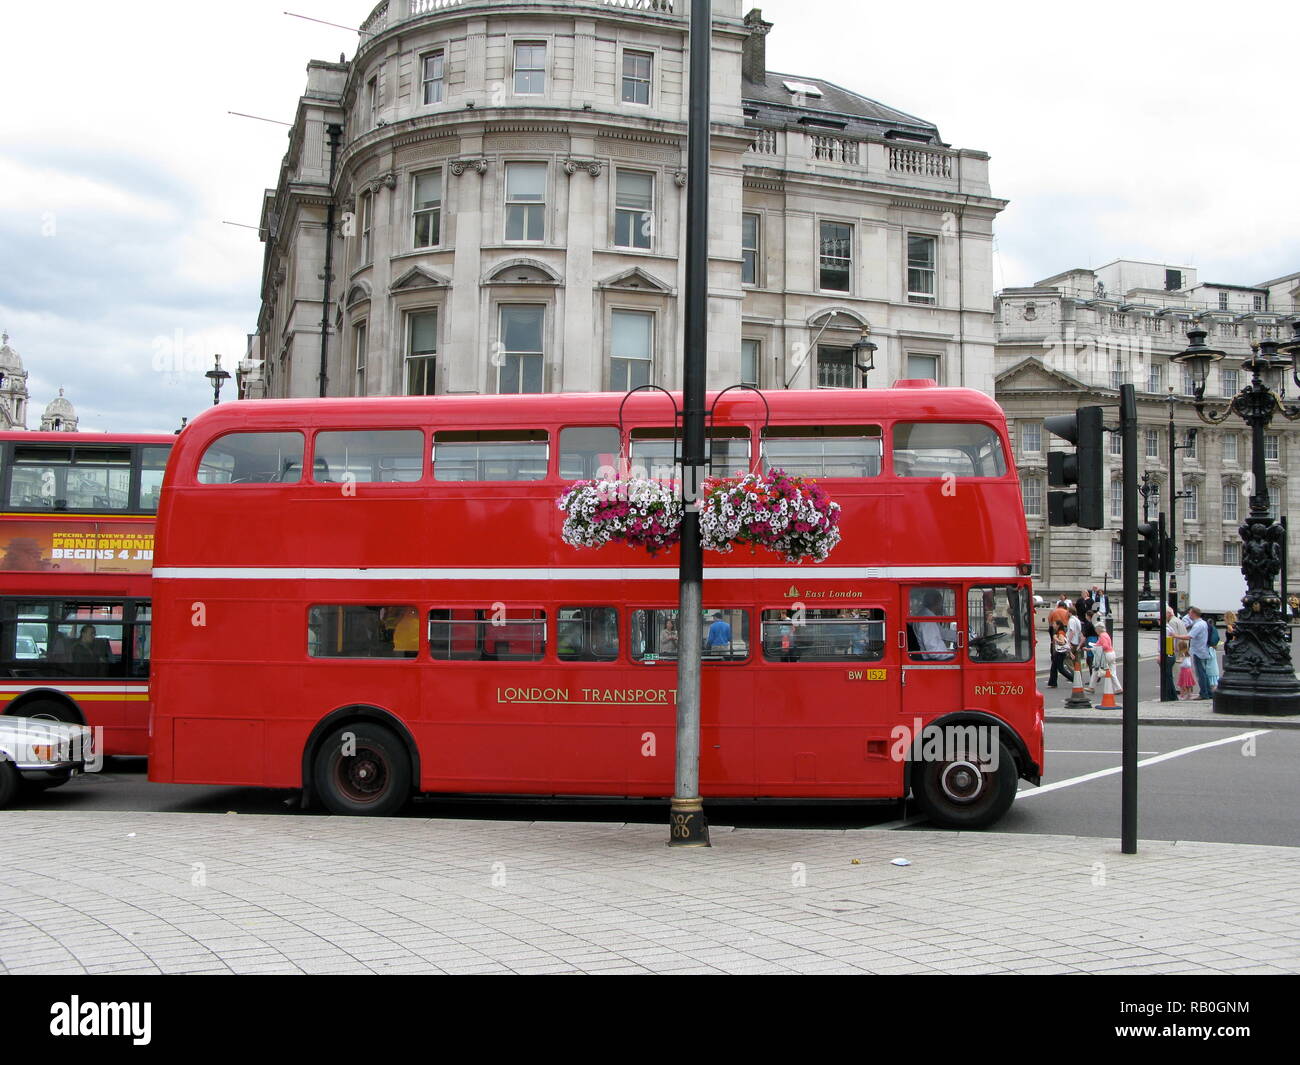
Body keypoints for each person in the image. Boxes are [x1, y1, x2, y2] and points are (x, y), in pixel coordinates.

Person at [910, 590, 956, 659]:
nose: (942, 607)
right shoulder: (927, 621)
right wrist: (952, 655)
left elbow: (942, 632)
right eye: (941, 604)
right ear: (936, 604)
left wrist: (962, 637)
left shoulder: (927, 616)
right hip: (934, 660)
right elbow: (934, 651)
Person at [1185, 607, 1212, 699]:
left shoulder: (1198, 625)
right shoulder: (1203, 623)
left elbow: (1189, 636)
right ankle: (1209, 693)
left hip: (1198, 651)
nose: (1189, 615)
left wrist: (1174, 636)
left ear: (1194, 614)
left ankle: (1204, 693)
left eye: (1190, 613)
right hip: (1202, 650)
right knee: (1204, 673)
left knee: (1201, 674)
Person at [1165, 606, 1188, 700]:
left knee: (1177, 669)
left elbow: (1172, 637)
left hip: (1178, 648)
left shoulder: (1172, 622)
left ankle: (1179, 688)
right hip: (1183, 646)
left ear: (1169, 613)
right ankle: (1184, 687)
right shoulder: (1178, 620)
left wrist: (1171, 650)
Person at [1093, 621, 1121, 694]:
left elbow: (1105, 646)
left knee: (1096, 669)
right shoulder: (1106, 634)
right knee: (1113, 673)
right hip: (1112, 653)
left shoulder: (1102, 635)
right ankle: (1118, 688)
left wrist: (1098, 648)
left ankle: (1091, 687)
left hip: (1106, 655)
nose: (1095, 630)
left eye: (1096, 629)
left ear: (1099, 629)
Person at [1047, 622, 1071, 688]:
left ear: (1058, 625)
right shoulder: (1059, 632)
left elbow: (1062, 642)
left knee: (1061, 669)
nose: (1053, 625)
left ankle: (1073, 678)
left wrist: (1055, 638)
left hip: (1061, 653)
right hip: (1058, 652)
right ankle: (1052, 683)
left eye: (1054, 624)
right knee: (1053, 668)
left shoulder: (1060, 633)